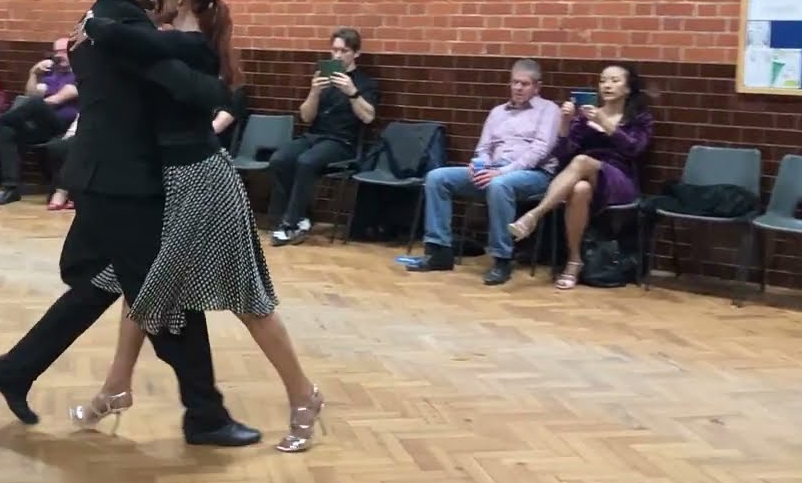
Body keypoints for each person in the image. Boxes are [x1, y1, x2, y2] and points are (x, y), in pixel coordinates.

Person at [0, 0, 260, 448]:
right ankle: (205, 415)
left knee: (99, 284)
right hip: (125, 181)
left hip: (96, 174)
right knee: (167, 297)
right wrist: (219, 87)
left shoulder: (97, 17)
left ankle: (13, 371)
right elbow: (190, 83)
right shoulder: (122, 25)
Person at [72, 0, 324, 453]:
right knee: (141, 282)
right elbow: (139, 48)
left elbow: (137, 43)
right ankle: (116, 386)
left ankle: (304, 395)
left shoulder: (190, 45)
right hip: (175, 180)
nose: (153, 2)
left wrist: (94, 26)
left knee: (248, 300)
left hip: (204, 182)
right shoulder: (175, 42)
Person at [411, 59, 560, 285]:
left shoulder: (549, 110)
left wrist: (503, 172)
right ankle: (439, 250)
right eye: (514, 83)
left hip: (534, 174)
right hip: (494, 170)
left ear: (537, 87)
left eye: (525, 84)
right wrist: (480, 164)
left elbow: (540, 151)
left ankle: (502, 259)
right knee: (437, 177)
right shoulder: (498, 112)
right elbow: (484, 148)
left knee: (500, 185)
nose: (518, 88)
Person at [506, 63, 654, 290]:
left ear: (628, 88)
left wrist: (606, 124)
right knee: (579, 189)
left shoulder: (640, 119)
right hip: (582, 177)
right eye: (603, 80)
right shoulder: (585, 116)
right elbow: (563, 155)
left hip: (620, 179)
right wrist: (565, 123)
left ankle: (534, 215)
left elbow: (635, 149)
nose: (607, 85)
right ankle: (574, 261)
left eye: (614, 81)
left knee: (582, 161)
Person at [268, 28, 379, 246]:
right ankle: (301, 216)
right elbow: (306, 116)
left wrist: (352, 93)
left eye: (344, 51)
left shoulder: (365, 83)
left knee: (306, 162)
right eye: (334, 50)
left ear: (356, 54)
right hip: (315, 136)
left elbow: (368, 117)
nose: (337, 56)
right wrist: (314, 92)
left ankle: (290, 224)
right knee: (279, 159)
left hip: (342, 142)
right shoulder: (322, 78)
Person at [0, 37, 79, 206]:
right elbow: (30, 95)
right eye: (56, 52)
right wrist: (33, 73)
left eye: (63, 51)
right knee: (7, 130)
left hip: (65, 127)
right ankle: (11, 189)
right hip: (43, 126)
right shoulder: (51, 74)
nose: (59, 56)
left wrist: (37, 103)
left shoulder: (80, 73)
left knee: (35, 104)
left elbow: (56, 100)